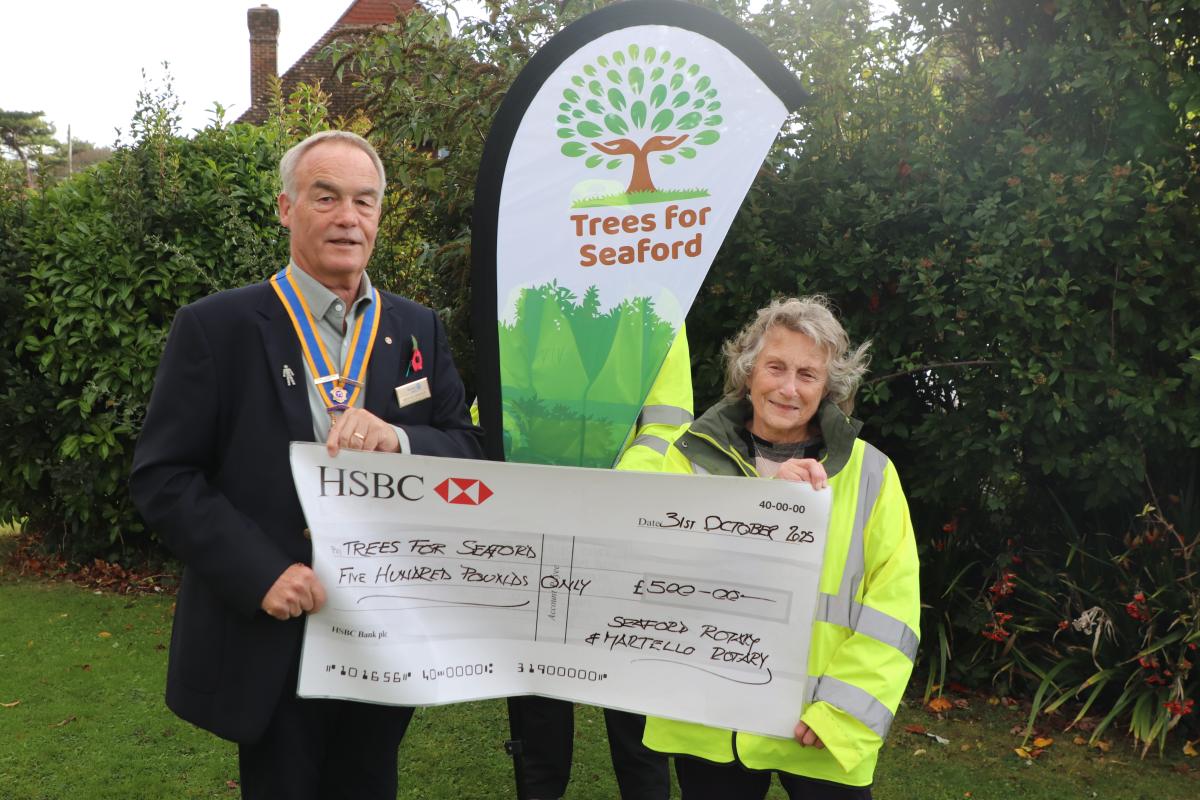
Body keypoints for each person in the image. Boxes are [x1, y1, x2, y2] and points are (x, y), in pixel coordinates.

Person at [130, 130, 483, 800]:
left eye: (364, 200)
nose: (348, 217)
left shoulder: (417, 328)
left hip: (382, 627)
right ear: (287, 208)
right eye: (326, 197)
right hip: (277, 629)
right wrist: (260, 571)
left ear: (379, 214)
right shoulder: (218, 328)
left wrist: (400, 441)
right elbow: (163, 476)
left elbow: (466, 447)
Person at [620, 296, 920, 799]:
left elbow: (895, 608)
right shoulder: (684, 457)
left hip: (821, 724)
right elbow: (657, 572)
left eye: (807, 374)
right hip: (709, 715)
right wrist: (763, 503)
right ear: (748, 370)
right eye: (775, 366)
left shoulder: (871, 474)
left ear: (829, 388)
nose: (787, 387)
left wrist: (843, 711)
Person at [511, 329, 694, 800]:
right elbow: (493, 406)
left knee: (635, 714)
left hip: (626, 534)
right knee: (539, 708)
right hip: (541, 527)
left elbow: (670, 421)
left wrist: (612, 492)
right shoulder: (529, 296)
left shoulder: (660, 307)